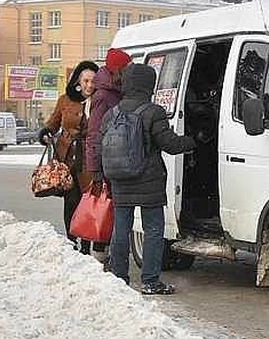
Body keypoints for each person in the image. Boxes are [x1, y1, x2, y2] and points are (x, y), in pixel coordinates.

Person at [103, 64, 196, 295]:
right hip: (149, 181)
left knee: (121, 230)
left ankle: (119, 278)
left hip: (119, 179)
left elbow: (99, 145)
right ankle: (150, 281)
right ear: (148, 85)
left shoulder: (112, 113)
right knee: (153, 230)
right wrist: (193, 142)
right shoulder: (153, 111)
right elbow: (170, 144)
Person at [38, 61, 102, 255]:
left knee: (89, 203)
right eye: (86, 80)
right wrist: (46, 132)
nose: (90, 85)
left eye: (93, 81)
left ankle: (87, 245)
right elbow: (54, 122)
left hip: (90, 159)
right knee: (71, 202)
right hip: (67, 159)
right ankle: (71, 243)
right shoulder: (65, 100)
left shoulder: (101, 100)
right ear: (78, 81)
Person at [84, 49, 131, 262]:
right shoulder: (103, 95)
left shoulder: (116, 90)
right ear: (117, 70)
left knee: (111, 211)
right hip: (105, 163)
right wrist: (94, 170)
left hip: (115, 159)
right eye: (126, 68)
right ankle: (99, 258)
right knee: (104, 211)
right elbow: (93, 133)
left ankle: (106, 256)